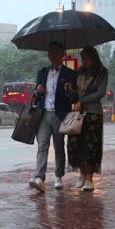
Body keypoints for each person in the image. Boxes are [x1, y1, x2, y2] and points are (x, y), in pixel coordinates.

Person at [28, 41, 79, 192]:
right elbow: (36, 97)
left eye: (56, 52)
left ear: (62, 54)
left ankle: (59, 176)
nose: (52, 55)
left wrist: (69, 91)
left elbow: (74, 99)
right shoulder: (42, 72)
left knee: (58, 146)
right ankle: (39, 177)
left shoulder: (70, 74)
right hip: (44, 114)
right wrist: (38, 92)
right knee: (42, 145)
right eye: (50, 52)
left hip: (59, 114)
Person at [66, 46, 108, 191]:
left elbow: (100, 93)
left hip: (93, 113)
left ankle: (90, 177)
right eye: (82, 58)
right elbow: (73, 93)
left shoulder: (102, 73)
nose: (84, 61)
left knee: (91, 145)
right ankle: (82, 173)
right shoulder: (77, 73)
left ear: (94, 58)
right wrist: (71, 91)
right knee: (74, 144)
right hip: (77, 113)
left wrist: (83, 100)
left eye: (87, 58)